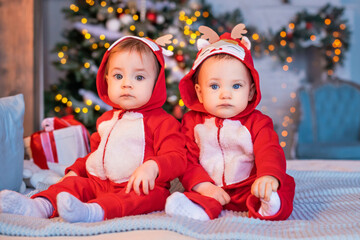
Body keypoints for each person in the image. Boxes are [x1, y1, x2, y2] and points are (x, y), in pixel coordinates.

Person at [0, 35, 187, 223]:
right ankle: (38, 206)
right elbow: (95, 156)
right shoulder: (107, 120)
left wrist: (153, 167)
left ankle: (92, 212)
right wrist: (76, 171)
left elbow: (178, 157)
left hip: (136, 187)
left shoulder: (163, 122)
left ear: (156, 83)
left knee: (148, 197)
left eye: (139, 77)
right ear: (107, 79)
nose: (126, 84)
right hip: (99, 183)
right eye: (118, 76)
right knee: (72, 184)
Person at [165, 24, 295, 221]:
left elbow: (269, 150)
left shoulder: (258, 122)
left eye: (236, 85)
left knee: (283, 183)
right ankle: (199, 210)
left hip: (249, 186)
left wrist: (268, 176)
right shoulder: (192, 123)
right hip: (210, 187)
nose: (225, 94)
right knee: (193, 194)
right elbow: (188, 159)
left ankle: (269, 205)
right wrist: (203, 186)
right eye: (215, 86)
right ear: (200, 93)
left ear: (250, 91)